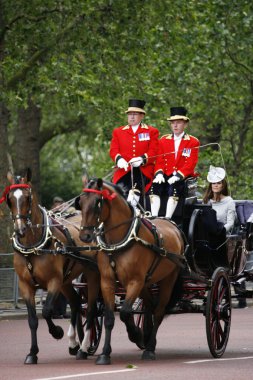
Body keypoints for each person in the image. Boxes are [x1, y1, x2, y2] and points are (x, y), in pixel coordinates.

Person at [109, 99, 159, 209]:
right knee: (116, 190)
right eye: (130, 114)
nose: (131, 117)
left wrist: (142, 159)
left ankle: (129, 213)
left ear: (142, 116)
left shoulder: (151, 131)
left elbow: (154, 151)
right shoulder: (118, 131)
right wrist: (119, 159)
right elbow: (113, 150)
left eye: (135, 114)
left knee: (135, 188)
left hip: (143, 170)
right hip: (123, 170)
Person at [151, 106, 200, 218]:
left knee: (175, 187)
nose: (175, 125)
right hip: (165, 174)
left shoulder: (192, 142)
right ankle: (154, 217)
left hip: (182, 176)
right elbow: (160, 160)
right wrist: (158, 173)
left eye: (178, 122)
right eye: (173, 123)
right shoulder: (163, 140)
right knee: (154, 186)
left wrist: (178, 175)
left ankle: (168, 218)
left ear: (185, 124)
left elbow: (191, 163)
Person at [203, 166, 236, 234]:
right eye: (214, 183)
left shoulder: (229, 202)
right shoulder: (206, 201)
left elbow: (230, 223)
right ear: (211, 185)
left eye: (218, 183)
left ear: (223, 185)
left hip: (222, 235)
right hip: (207, 235)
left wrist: (221, 231)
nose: (216, 185)